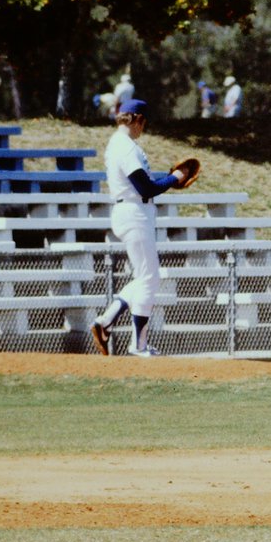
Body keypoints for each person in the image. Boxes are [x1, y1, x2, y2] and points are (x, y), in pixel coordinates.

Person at [90, 99, 190, 357]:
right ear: (135, 118)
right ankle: (138, 344)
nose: (143, 127)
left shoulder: (118, 143)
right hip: (134, 211)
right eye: (143, 121)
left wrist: (167, 181)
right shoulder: (126, 147)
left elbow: (144, 186)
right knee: (149, 278)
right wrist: (174, 178)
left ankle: (107, 321)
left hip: (132, 210)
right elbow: (146, 188)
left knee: (144, 276)